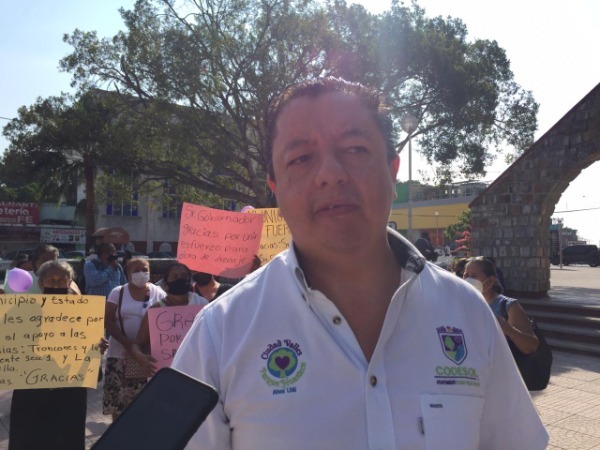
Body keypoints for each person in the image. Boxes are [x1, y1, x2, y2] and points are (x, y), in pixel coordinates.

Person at [172, 77, 548, 449]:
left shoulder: (468, 312)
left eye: (354, 148)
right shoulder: (217, 336)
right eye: (300, 158)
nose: (330, 174)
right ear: (276, 188)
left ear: (392, 171)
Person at [9, 260, 88, 450]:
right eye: (51, 280)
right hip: (31, 390)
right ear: (41, 283)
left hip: (70, 391)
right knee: (29, 440)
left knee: (67, 439)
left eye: (61, 280)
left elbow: (89, 350)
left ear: (70, 282)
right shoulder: (21, 312)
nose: (57, 285)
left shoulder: (85, 313)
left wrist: (97, 347)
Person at [102, 258, 165, 420]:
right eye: (136, 270)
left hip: (148, 358)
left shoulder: (158, 293)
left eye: (144, 269)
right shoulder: (118, 292)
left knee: (145, 404)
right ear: (128, 273)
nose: (141, 273)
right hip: (120, 356)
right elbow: (107, 320)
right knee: (120, 405)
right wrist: (130, 346)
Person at [130, 262, 208, 376]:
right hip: (165, 375)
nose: (180, 280)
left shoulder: (203, 306)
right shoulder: (156, 310)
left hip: (197, 373)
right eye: (175, 277)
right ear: (166, 285)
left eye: (184, 276)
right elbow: (137, 343)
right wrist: (140, 356)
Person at [463, 257, 539, 355]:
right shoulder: (464, 303)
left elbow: (531, 347)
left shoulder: (508, 306)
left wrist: (509, 330)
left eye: (474, 276)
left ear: (491, 280)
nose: (468, 279)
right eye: (466, 275)